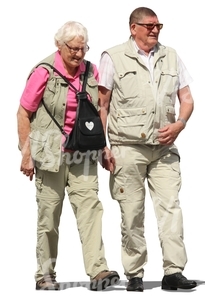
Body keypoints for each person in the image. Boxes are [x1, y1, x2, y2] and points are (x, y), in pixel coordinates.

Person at [98, 7, 197, 292]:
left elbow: (187, 99)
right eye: (150, 25)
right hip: (126, 147)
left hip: (164, 148)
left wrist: (180, 124)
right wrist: (103, 147)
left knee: (170, 209)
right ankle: (135, 273)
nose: (155, 30)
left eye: (159, 25)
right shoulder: (112, 57)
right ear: (133, 27)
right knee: (132, 213)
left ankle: (173, 271)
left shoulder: (172, 56)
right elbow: (102, 105)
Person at [16, 21, 119, 291]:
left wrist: (103, 146)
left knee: (90, 211)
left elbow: (99, 112)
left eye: (82, 48)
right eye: (73, 48)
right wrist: (26, 153)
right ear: (59, 46)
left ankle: (98, 271)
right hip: (49, 153)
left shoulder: (91, 71)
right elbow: (24, 114)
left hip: (82, 154)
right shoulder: (43, 72)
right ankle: (45, 274)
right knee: (49, 216)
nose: (78, 54)